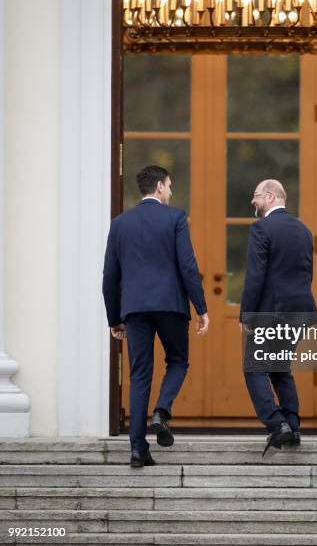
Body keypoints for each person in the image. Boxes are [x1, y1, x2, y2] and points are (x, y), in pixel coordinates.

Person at [103, 165, 209, 468]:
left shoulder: (120, 224)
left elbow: (109, 275)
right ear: (160, 187)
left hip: (135, 309)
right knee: (177, 361)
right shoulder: (175, 218)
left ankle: (138, 450)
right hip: (171, 305)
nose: (171, 192)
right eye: (170, 186)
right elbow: (187, 266)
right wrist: (201, 307)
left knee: (139, 376)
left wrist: (114, 318)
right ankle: (162, 412)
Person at [240, 179, 317, 456]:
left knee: (254, 368)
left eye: (257, 196)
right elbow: (308, 275)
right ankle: (293, 428)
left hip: (269, 312)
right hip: (300, 312)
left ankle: (277, 423)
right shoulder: (305, 231)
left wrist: (247, 314)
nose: (253, 201)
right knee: (280, 368)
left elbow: (255, 276)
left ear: (270, 197)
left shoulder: (261, 229)